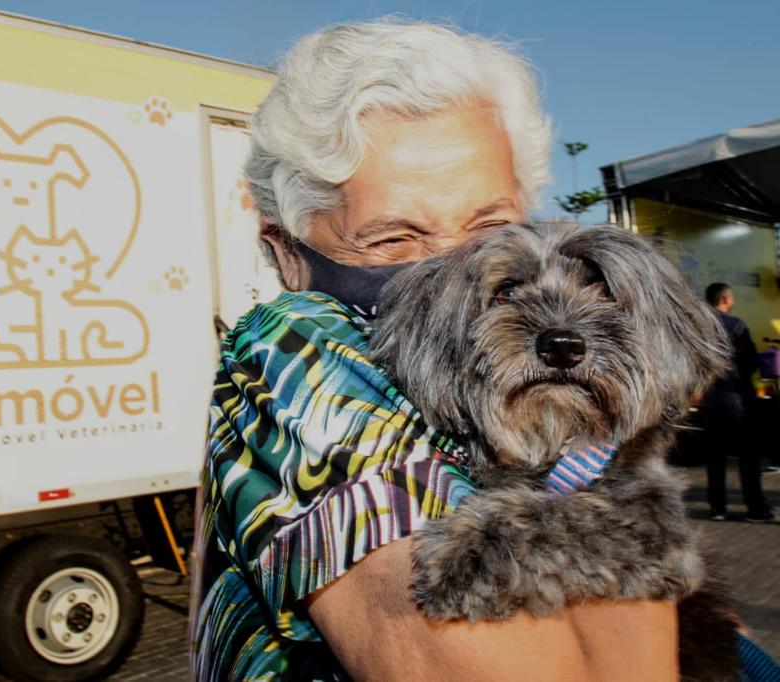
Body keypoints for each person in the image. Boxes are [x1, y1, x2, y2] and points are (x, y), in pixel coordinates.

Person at [191, 20, 678, 681]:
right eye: (393, 239)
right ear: (287, 253)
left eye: (490, 229)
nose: (460, 278)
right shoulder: (292, 345)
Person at [702, 282, 774, 523]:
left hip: (711, 401)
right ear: (725, 300)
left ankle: (718, 508)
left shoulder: (699, 327)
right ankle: (756, 508)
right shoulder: (736, 325)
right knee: (748, 457)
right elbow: (749, 363)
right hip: (738, 399)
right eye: (731, 298)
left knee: (715, 457)